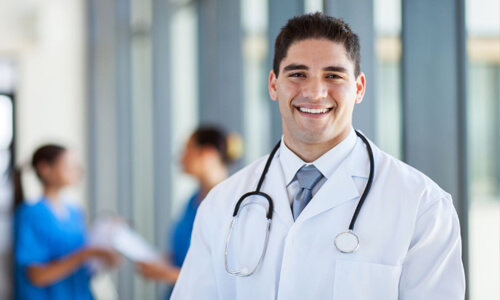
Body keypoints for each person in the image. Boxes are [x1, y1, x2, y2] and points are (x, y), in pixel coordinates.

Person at [171, 13, 465, 299]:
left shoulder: (423, 207)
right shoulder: (222, 204)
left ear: (359, 88)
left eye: (333, 75)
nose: (314, 92)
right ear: (273, 85)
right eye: (297, 74)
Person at [136, 126, 242, 293]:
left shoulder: (231, 204)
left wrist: (167, 274)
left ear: (207, 153)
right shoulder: (192, 201)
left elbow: (226, 277)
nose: (180, 158)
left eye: (187, 150)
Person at [13, 144, 120, 300]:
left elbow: (80, 268)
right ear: (45, 169)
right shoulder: (31, 214)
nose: (77, 171)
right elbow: (37, 276)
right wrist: (86, 253)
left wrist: (102, 257)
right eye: (69, 166)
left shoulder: (75, 212)